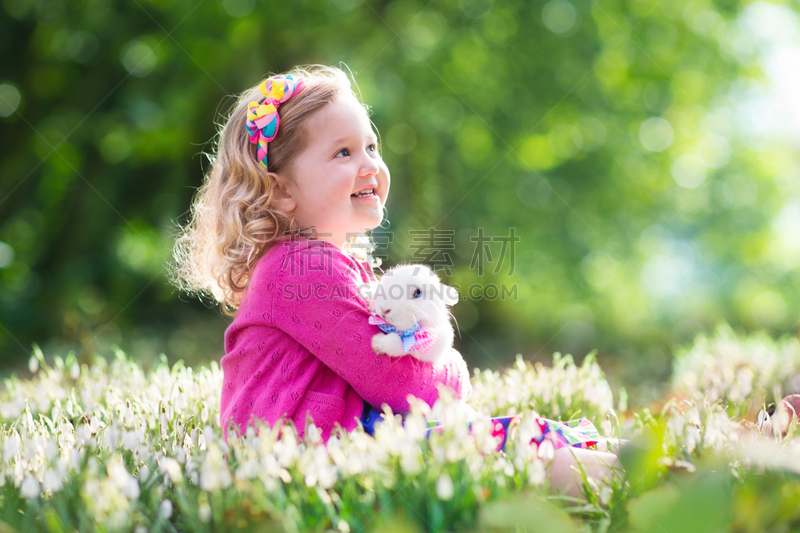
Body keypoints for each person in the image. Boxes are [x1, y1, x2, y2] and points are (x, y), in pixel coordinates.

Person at [170, 64, 621, 498]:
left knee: (512, 443)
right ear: (282, 192)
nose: (369, 164)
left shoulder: (331, 266)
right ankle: (640, 477)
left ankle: (634, 465)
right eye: (343, 152)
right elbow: (398, 381)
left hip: (340, 449)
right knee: (516, 450)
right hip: (309, 466)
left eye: (371, 146)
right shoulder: (296, 269)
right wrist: (454, 373)